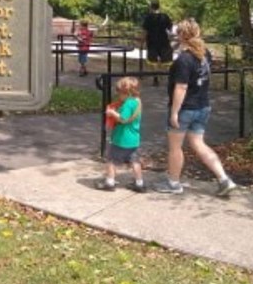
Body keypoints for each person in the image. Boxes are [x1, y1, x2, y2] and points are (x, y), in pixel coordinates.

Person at [155, 18, 237, 196]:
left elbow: (181, 87)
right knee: (199, 143)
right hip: (202, 106)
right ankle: (224, 179)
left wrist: (175, 112)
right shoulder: (204, 53)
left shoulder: (184, 59)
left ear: (182, 36)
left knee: (175, 148)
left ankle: (174, 184)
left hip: (186, 108)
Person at [96, 77, 145, 192]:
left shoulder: (128, 104)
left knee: (112, 161)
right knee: (135, 161)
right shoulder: (137, 101)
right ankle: (139, 183)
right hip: (134, 139)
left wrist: (112, 112)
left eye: (119, 93)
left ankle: (109, 182)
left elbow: (123, 119)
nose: (118, 96)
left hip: (122, 139)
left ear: (126, 92)